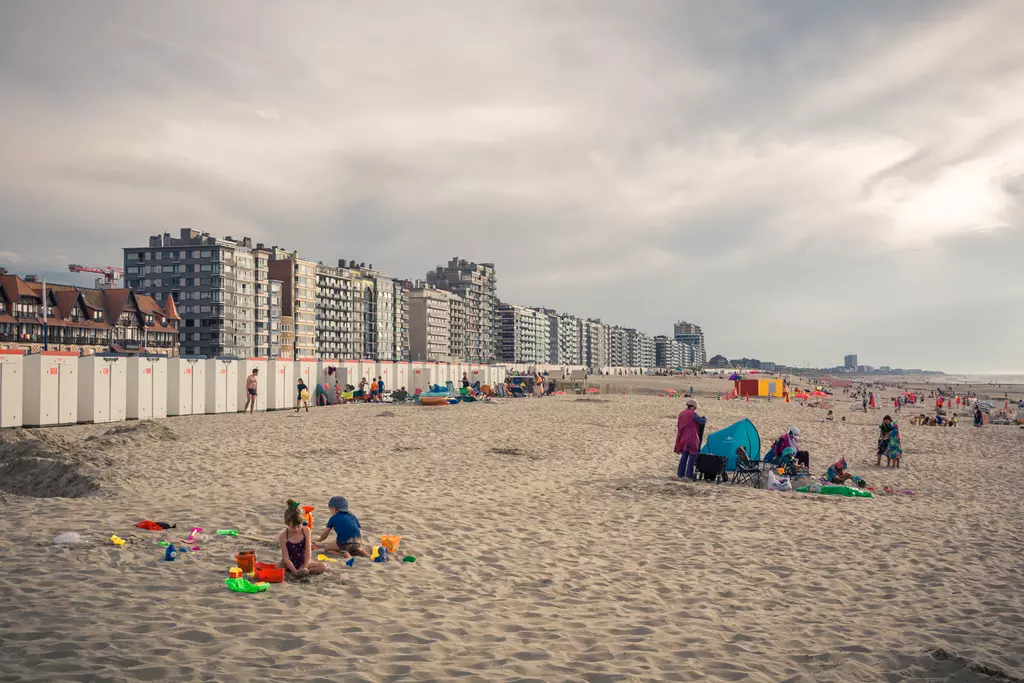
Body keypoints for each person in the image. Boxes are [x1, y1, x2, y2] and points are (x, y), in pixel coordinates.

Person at [279, 500, 328, 575]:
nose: (296, 529)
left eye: (298, 526)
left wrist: (305, 567)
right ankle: (295, 572)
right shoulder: (283, 536)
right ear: (287, 523)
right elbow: (286, 558)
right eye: (292, 527)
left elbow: (308, 551)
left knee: (323, 566)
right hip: (289, 565)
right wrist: (295, 571)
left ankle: (307, 571)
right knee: (278, 566)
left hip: (304, 563)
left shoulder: (306, 530)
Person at [673, 398, 706, 481]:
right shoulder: (692, 414)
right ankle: (688, 475)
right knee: (692, 456)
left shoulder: (681, 413)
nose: (695, 409)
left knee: (684, 456)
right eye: (695, 408)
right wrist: (705, 418)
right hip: (692, 437)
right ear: (693, 407)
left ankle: (680, 474)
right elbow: (702, 422)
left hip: (683, 437)